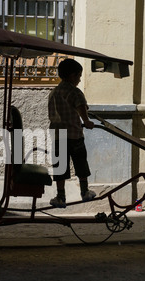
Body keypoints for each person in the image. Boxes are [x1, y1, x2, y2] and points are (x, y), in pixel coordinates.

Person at [48, 59, 96, 208]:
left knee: (60, 167)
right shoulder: (74, 91)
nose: (80, 79)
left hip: (58, 136)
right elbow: (81, 106)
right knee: (81, 163)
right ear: (72, 76)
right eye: (79, 76)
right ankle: (85, 192)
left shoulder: (54, 92)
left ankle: (61, 196)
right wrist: (86, 121)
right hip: (74, 135)